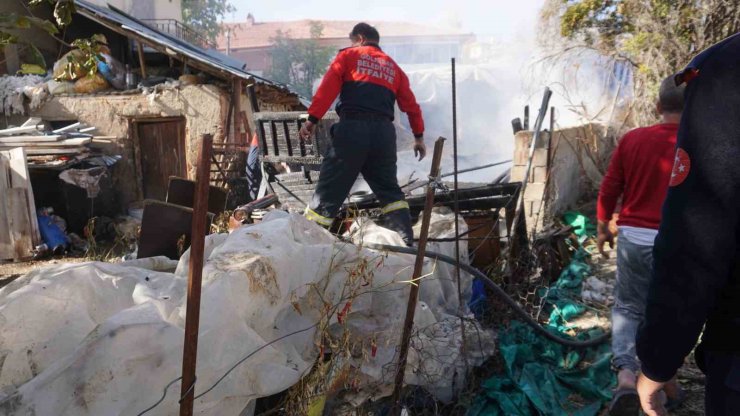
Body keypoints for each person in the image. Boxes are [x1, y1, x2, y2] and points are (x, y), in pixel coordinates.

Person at [636, 32, 740, 416]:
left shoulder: (727, 70)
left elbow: (697, 240)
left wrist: (658, 359)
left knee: (629, 305)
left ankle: (630, 377)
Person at [596, 75, 686, 415]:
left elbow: (609, 188)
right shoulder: (702, 143)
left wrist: (603, 227)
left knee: (628, 307)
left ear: (658, 106)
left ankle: (625, 378)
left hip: (633, 237)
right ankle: (663, 383)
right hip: (679, 242)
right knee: (671, 311)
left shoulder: (633, 139)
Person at [298, 22, 426, 245]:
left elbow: (327, 89)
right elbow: (412, 106)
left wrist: (312, 120)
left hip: (353, 130)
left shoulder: (348, 56)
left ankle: (311, 242)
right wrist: (418, 137)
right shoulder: (394, 69)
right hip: (384, 135)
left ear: (359, 38)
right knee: (389, 191)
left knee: (329, 191)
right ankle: (406, 239)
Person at [245, 132, 262, 201]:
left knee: (251, 171)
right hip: (258, 143)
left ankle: (256, 200)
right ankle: (256, 200)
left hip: (258, 143)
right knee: (251, 171)